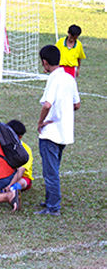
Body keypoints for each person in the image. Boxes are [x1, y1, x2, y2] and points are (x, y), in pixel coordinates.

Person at [35, 45, 80, 217]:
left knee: (50, 172)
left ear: (45, 62)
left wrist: (40, 122)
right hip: (64, 132)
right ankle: (49, 200)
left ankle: (53, 207)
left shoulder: (53, 79)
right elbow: (76, 104)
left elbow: (47, 104)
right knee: (53, 168)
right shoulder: (69, 78)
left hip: (51, 132)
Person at [3, 120, 34, 193]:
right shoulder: (2, 145)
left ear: (19, 137)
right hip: (5, 176)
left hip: (22, 177)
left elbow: (20, 171)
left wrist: (9, 185)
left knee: (22, 182)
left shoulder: (25, 150)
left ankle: (13, 190)